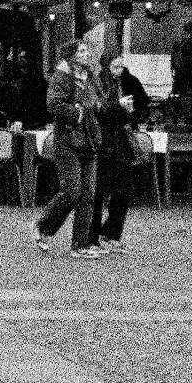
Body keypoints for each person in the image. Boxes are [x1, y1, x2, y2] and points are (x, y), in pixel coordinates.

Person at [31, 38, 103, 258]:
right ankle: (43, 226)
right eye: (81, 51)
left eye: (87, 51)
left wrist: (100, 105)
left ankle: (79, 245)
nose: (86, 54)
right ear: (71, 55)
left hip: (89, 141)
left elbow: (98, 100)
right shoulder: (61, 75)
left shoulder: (90, 76)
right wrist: (78, 112)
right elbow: (53, 104)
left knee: (88, 195)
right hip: (67, 141)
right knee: (71, 191)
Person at [94, 55, 144, 247]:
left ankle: (112, 234)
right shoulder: (99, 83)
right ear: (106, 66)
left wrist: (132, 112)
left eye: (122, 66)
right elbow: (99, 111)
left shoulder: (127, 82)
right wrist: (119, 106)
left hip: (121, 140)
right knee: (99, 190)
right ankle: (93, 235)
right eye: (115, 66)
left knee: (123, 190)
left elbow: (141, 103)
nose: (119, 70)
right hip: (104, 141)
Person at [169, 24, 192, 108]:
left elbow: (173, 59)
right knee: (190, 92)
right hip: (189, 72)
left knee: (179, 91)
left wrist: (173, 69)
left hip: (180, 73)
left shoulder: (180, 42)